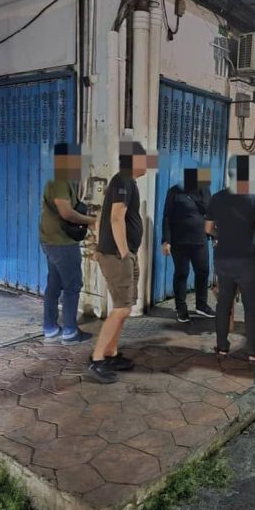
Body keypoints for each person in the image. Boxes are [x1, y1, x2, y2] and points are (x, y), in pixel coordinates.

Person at [87, 142, 147, 384]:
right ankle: (97, 359)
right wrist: (124, 252)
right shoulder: (123, 179)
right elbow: (115, 217)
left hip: (123, 253)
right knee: (121, 309)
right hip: (117, 255)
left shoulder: (127, 181)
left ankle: (111, 353)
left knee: (125, 307)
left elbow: (104, 215)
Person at [205, 155, 255, 363]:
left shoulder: (217, 198)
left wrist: (223, 236)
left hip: (223, 259)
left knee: (223, 304)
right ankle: (254, 351)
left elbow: (208, 229)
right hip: (247, 262)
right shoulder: (253, 199)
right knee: (251, 306)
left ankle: (221, 347)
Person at [39, 143, 96, 344]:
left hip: (51, 241)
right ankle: (70, 332)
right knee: (72, 285)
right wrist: (91, 221)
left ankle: (50, 328)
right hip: (61, 243)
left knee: (54, 284)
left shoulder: (59, 181)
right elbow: (66, 212)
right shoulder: (60, 181)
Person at [161, 168, 215, 323]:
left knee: (203, 272)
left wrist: (214, 236)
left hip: (200, 240)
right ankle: (181, 308)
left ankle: (201, 305)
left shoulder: (204, 191)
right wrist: (166, 241)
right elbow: (167, 217)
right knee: (181, 273)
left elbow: (211, 214)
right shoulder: (174, 192)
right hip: (179, 241)